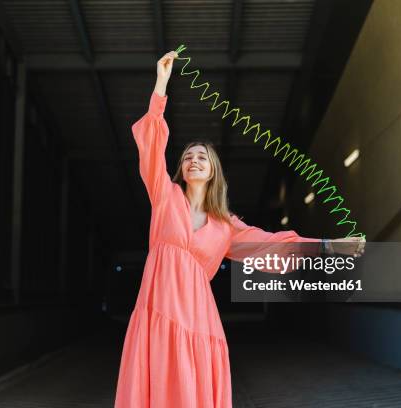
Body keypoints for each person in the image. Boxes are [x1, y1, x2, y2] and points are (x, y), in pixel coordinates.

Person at [114, 50, 365, 408]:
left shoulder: (226, 226)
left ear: (213, 170)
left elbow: (271, 246)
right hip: (158, 311)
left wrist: (326, 245)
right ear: (181, 169)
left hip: (199, 320)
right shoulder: (164, 196)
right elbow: (151, 147)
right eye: (188, 157)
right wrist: (161, 85)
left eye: (202, 157)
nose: (193, 160)